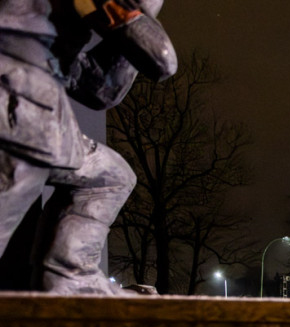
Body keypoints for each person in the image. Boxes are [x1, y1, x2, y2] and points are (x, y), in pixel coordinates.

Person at [0, 0, 176, 294]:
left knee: (111, 176)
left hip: (27, 106)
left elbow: (99, 90)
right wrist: (139, 13)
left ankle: (70, 275)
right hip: (20, 115)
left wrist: (66, 59)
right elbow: (162, 58)